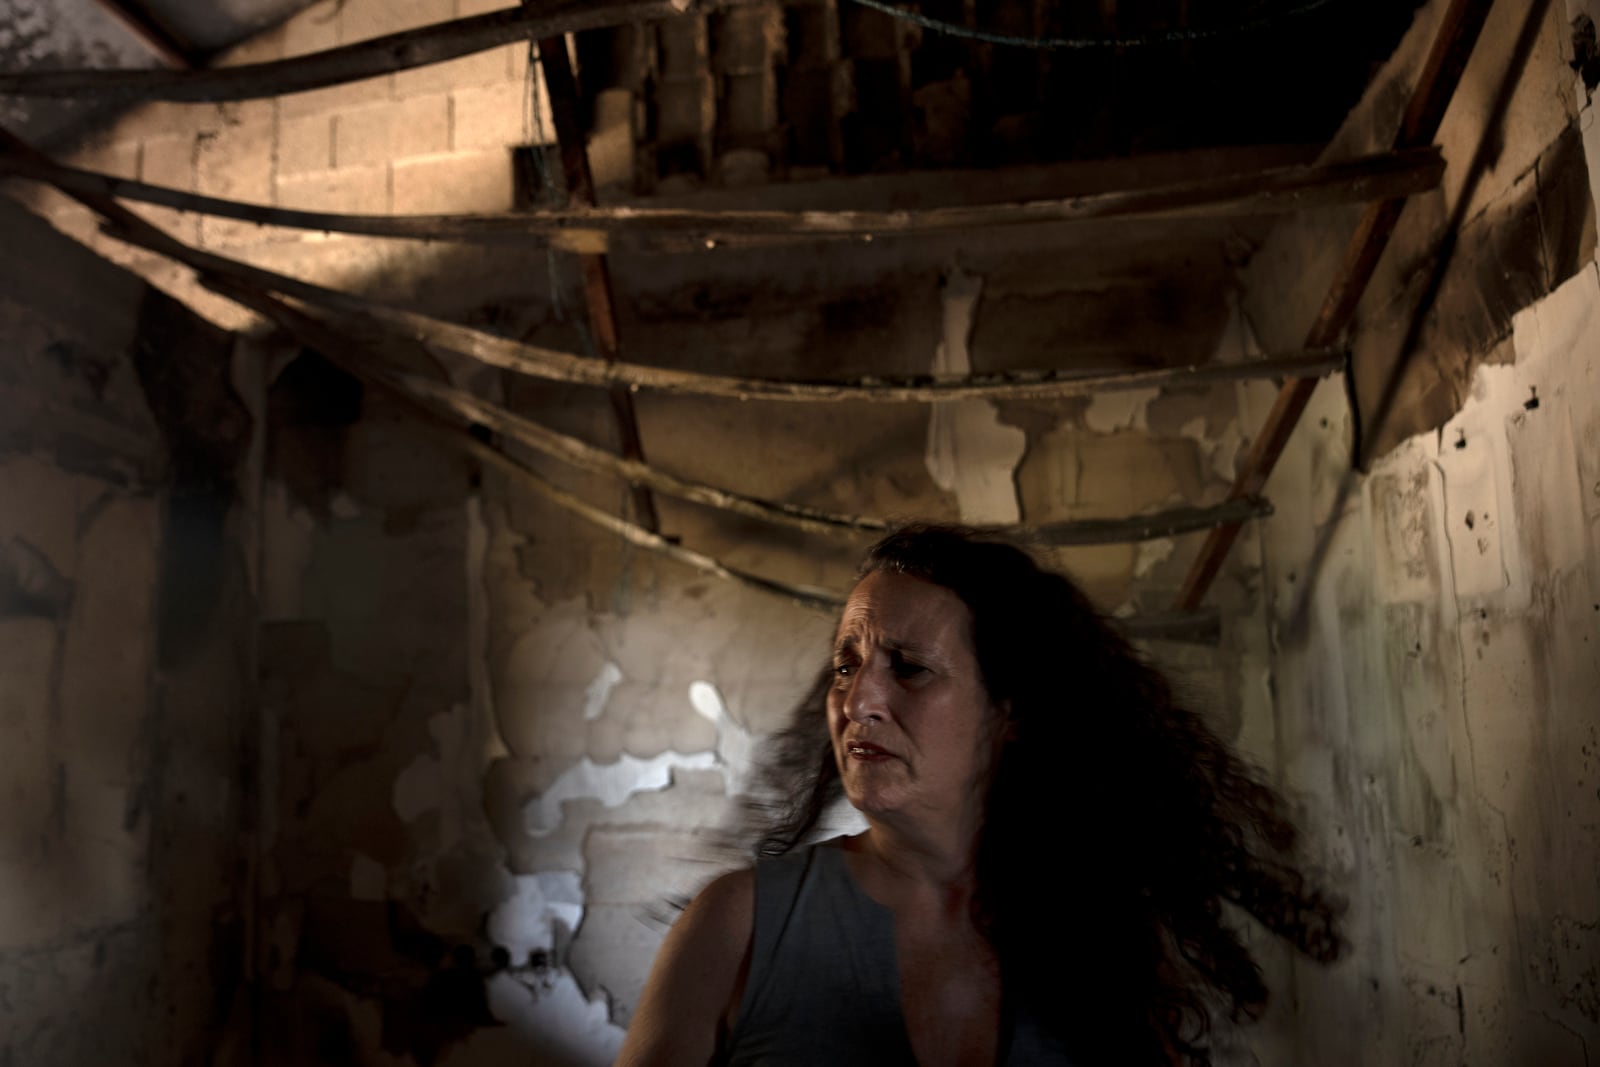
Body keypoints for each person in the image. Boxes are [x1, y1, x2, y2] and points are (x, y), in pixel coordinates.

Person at [616, 524, 1343, 1066]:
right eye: (846, 664)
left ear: (1010, 710)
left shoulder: (1092, 933)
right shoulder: (736, 925)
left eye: (909, 667)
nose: (857, 696)